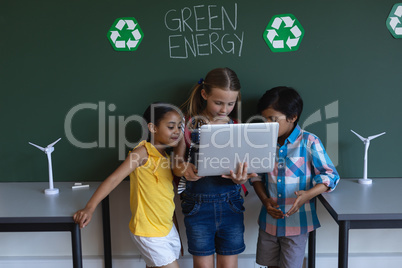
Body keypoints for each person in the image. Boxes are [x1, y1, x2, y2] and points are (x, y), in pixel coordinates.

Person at [73, 103, 183, 268]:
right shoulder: (142, 153)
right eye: (171, 126)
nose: (177, 131)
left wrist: (177, 232)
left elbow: (167, 198)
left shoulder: (167, 159)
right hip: (149, 231)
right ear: (152, 128)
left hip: (167, 229)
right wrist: (90, 207)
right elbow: (114, 179)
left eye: (180, 127)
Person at [173, 67, 257, 268]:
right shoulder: (187, 123)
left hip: (231, 204)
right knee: (203, 265)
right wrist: (184, 168)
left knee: (229, 264)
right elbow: (175, 162)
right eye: (218, 102)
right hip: (197, 206)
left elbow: (243, 168)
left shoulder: (236, 126)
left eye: (230, 103)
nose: (224, 109)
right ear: (204, 94)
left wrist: (241, 178)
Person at [250, 86, 340, 268]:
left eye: (273, 119)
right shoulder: (262, 142)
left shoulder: (309, 141)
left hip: (297, 224)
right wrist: (265, 200)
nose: (267, 123)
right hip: (269, 222)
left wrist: (308, 195)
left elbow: (330, 176)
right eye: (264, 118)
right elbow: (256, 176)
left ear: (292, 117)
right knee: (269, 264)